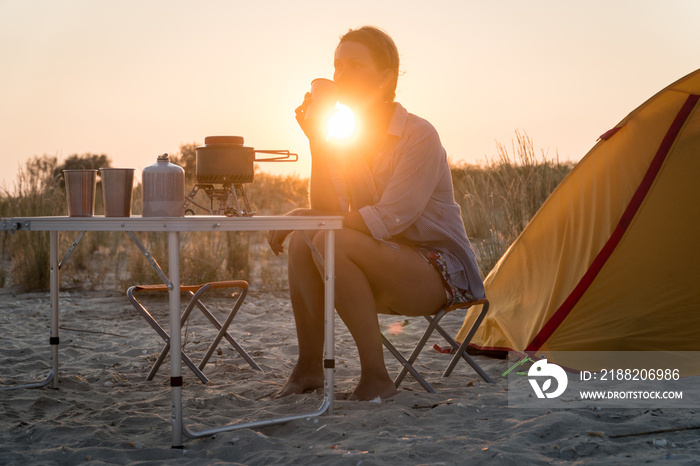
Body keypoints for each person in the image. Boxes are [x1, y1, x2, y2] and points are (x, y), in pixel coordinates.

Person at [267, 26, 485, 401]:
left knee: (333, 240)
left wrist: (306, 215)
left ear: (386, 78)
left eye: (354, 65)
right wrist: (317, 143)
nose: (340, 76)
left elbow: (387, 219)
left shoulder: (418, 135)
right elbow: (330, 211)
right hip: (380, 263)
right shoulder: (346, 140)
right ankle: (308, 368)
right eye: (337, 67)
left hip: (439, 272)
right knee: (306, 239)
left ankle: (376, 378)